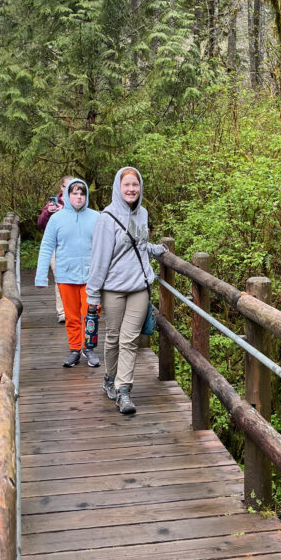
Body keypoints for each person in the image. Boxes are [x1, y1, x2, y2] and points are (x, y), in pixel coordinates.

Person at [86, 166, 166, 415]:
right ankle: (109, 378)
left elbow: (138, 243)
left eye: (135, 184)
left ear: (140, 187)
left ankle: (123, 391)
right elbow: (99, 259)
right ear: (118, 188)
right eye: (127, 185)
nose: (131, 189)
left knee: (130, 339)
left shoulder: (143, 213)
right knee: (113, 338)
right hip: (113, 289)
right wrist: (92, 295)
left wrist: (155, 249)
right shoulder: (106, 218)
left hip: (139, 287)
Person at [35, 177, 100, 368]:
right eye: (75, 193)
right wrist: (41, 275)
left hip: (90, 276)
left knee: (91, 315)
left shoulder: (96, 217)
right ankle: (74, 350)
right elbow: (47, 246)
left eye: (82, 193)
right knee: (71, 316)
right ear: (67, 195)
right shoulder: (56, 219)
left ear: (86, 196)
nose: (78, 197)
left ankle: (89, 348)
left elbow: (106, 245)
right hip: (66, 275)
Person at [37, 175, 73, 324]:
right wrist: (49, 212)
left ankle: (73, 309)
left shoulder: (79, 201)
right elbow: (41, 224)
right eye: (68, 186)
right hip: (55, 246)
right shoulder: (54, 203)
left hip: (74, 247)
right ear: (61, 187)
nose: (71, 189)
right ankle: (62, 312)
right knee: (60, 277)